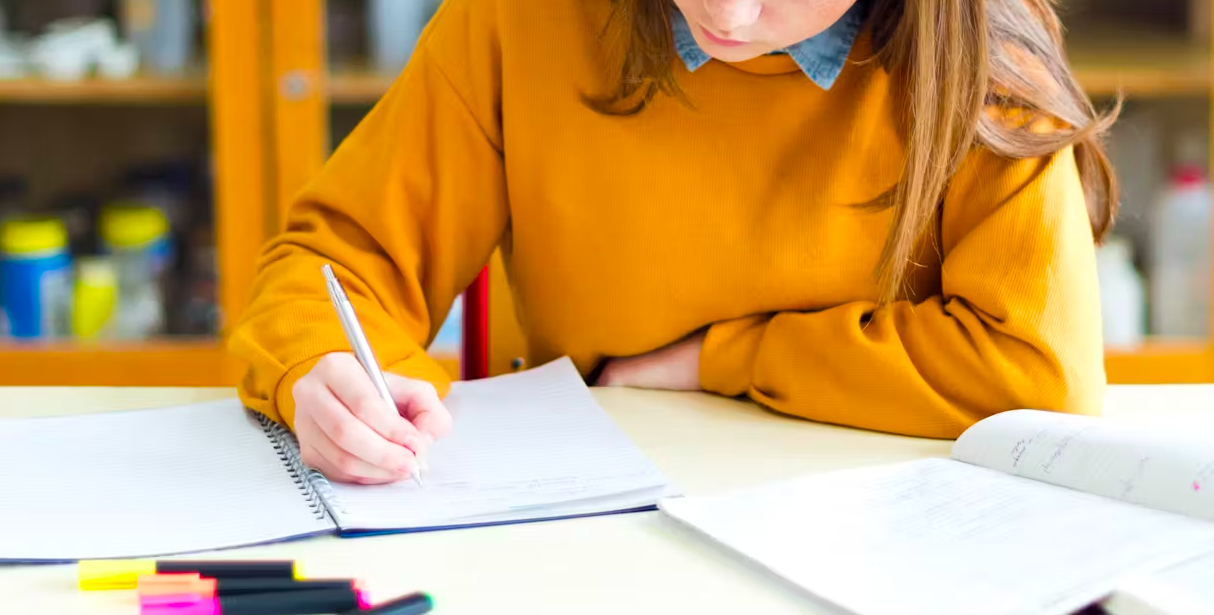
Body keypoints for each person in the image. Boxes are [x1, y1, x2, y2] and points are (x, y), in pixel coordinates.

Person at [230, 0, 1118, 484]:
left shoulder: (988, 65)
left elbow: (1039, 372)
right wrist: (319, 369)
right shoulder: (519, 19)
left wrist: (722, 358)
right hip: (587, 529)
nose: (727, 14)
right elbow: (334, 261)